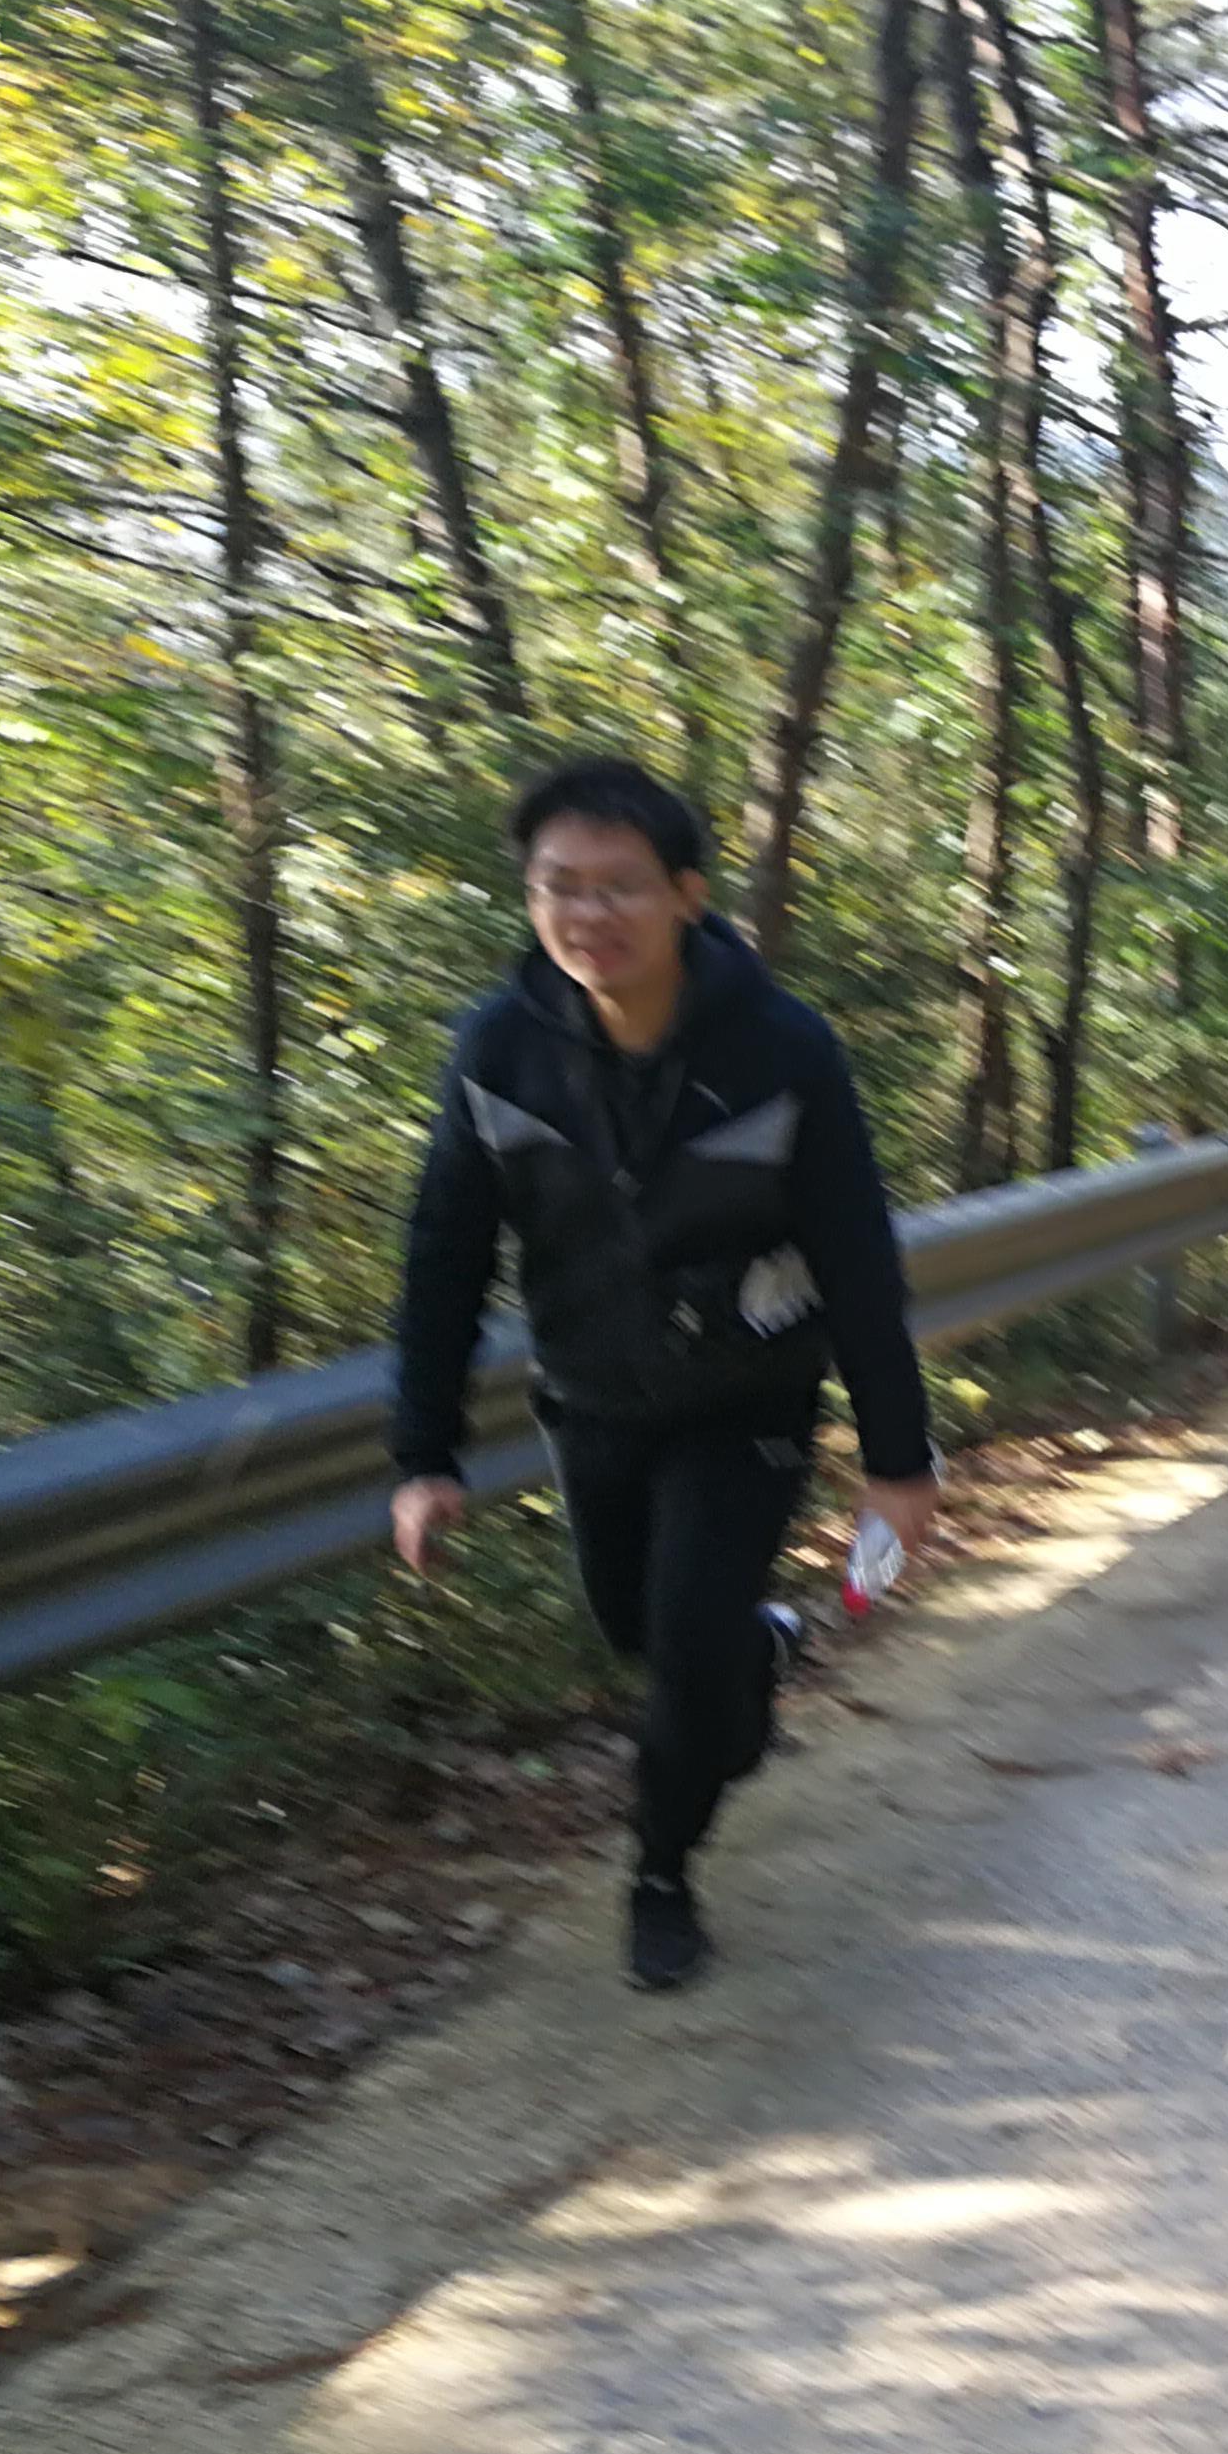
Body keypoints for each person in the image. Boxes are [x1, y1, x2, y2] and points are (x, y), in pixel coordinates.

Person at [388, 756, 940, 1995]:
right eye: (559, 888)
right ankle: (755, 1660)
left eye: (621, 888)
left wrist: (897, 1461)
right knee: (651, 1639)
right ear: (530, 900)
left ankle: (659, 1873)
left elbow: (858, 1260)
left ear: (687, 896)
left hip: (746, 1405)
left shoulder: (781, 1050)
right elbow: (445, 1254)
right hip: (593, 1403)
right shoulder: (500, 1051)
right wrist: (423, 1456)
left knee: (685, 1654)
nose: (589, 916)